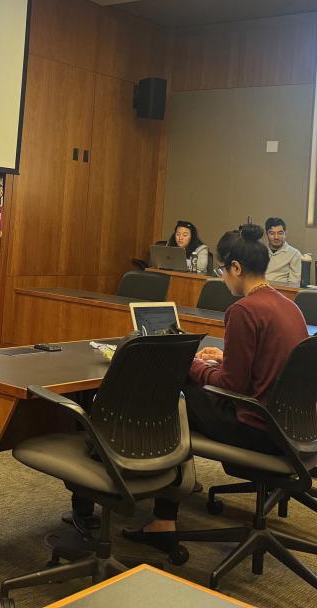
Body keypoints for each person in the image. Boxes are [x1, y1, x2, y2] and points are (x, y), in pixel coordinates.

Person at [123, 223, 308, 553]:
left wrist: (189, 363)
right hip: (292, 428)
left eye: (223, 270)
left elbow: (230, 385)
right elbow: (270, 365)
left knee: (171, 398)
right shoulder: (289, 306)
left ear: (236, 268)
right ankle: (178, 484)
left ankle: (164, 517)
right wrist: (224, 359)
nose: (223, 277)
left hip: (256, 426)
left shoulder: (243, 309)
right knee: (187, 389)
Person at [264, 217, 301, 286]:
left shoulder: (294, 254)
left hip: (282, 293)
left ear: (285, 234)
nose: (276, 237)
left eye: (280, 233)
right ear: (267, 234)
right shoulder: (260, 251)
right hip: (260, 291)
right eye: (272, 233)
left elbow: (294, 284)